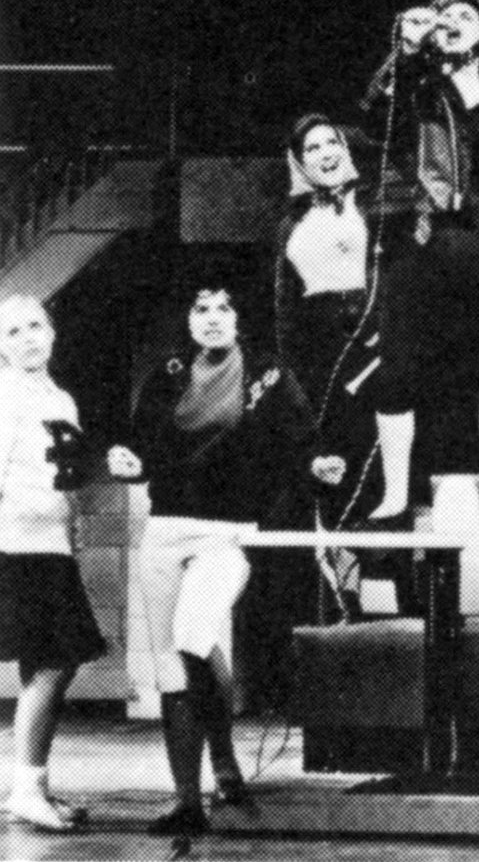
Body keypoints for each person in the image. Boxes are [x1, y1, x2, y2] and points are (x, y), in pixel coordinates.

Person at [107, 282, 345, 836]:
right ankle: (190, 797)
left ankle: (221, 759)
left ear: (239, 318)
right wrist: (126, 461)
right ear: (188, 319)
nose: (212, 317)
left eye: (224, 308)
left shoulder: (268, 374)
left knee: (192, 636)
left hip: (228, 533)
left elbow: (303, 441)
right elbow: (140, 448)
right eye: (201, 308)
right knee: (174, 664)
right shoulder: (167, 374)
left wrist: (318, 466)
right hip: (165, 533)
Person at [356, 0, 479, 559]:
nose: (452, 21)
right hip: (418, 238)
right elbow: (373, 118)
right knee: (397, 367)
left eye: (466, 16)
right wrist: (406, 51)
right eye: (445, 16)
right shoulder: (415, 95)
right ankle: (393, 499)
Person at [0, 296, 106, 832]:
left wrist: (74, 524)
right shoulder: (5, 394)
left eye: (35, 326)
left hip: (52, 546)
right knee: (54, 663)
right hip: (16, 548)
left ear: (53, 331)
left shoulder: (60, 398)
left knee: (43, 664)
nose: (27, 339)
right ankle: (26, 788)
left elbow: (64, 476)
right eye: (13, 332)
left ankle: (33, 787)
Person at [274, 113, 382, 620]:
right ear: (300, 162)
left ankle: (398, 596)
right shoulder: (289, 225)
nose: (324, 153)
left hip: (372, 342)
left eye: (330, 142)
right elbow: (284, 311)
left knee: (377, 466)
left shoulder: (376, 206)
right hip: (316, 356)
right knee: (329, 469)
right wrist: (291, 381)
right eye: (312, 148)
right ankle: (345, 601)